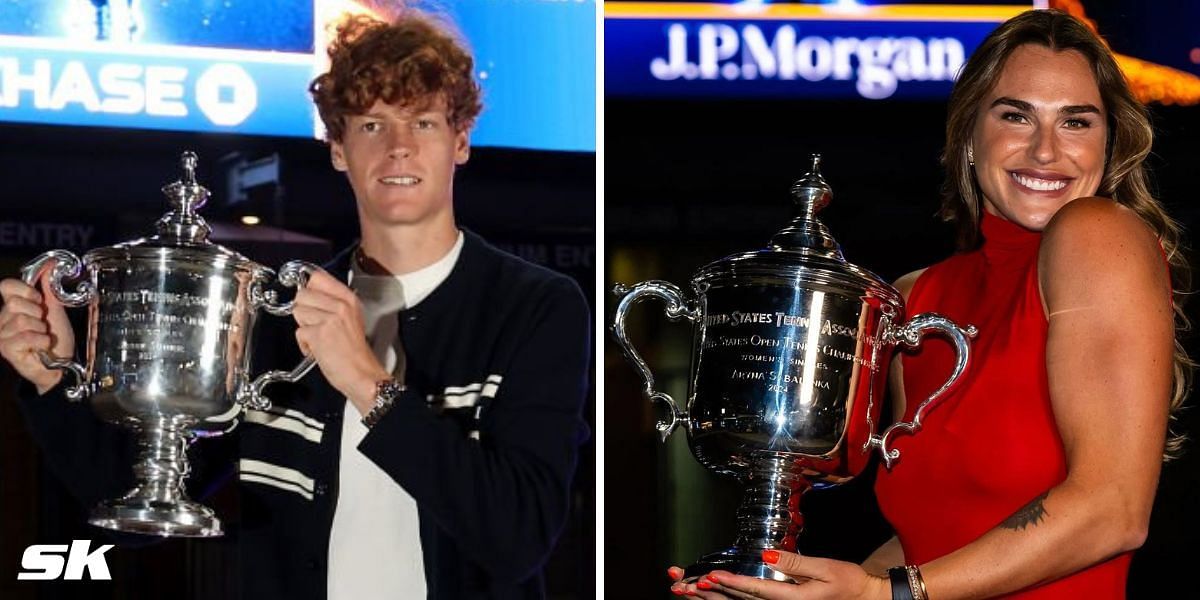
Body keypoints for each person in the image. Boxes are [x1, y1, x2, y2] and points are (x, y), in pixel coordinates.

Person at [0, 9, 591, 600]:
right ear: (336, 147)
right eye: (370, 125)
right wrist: (53, 378)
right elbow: (143, 509)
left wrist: (365, 380)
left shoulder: (535, 307)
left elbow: (518, 541)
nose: (399, 148)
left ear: (460, 140)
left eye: (424, 123)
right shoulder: (277, 315)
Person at [670, 9, 1188, 599]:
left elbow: (1113, 510)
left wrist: (884, 595)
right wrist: (801, 588)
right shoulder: (917, 300)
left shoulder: (1100, 233)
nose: (1046, 150)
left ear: (1109, 142)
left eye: (1076, 122)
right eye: (1016, 115)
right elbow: (928, 543)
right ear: (969, 136)